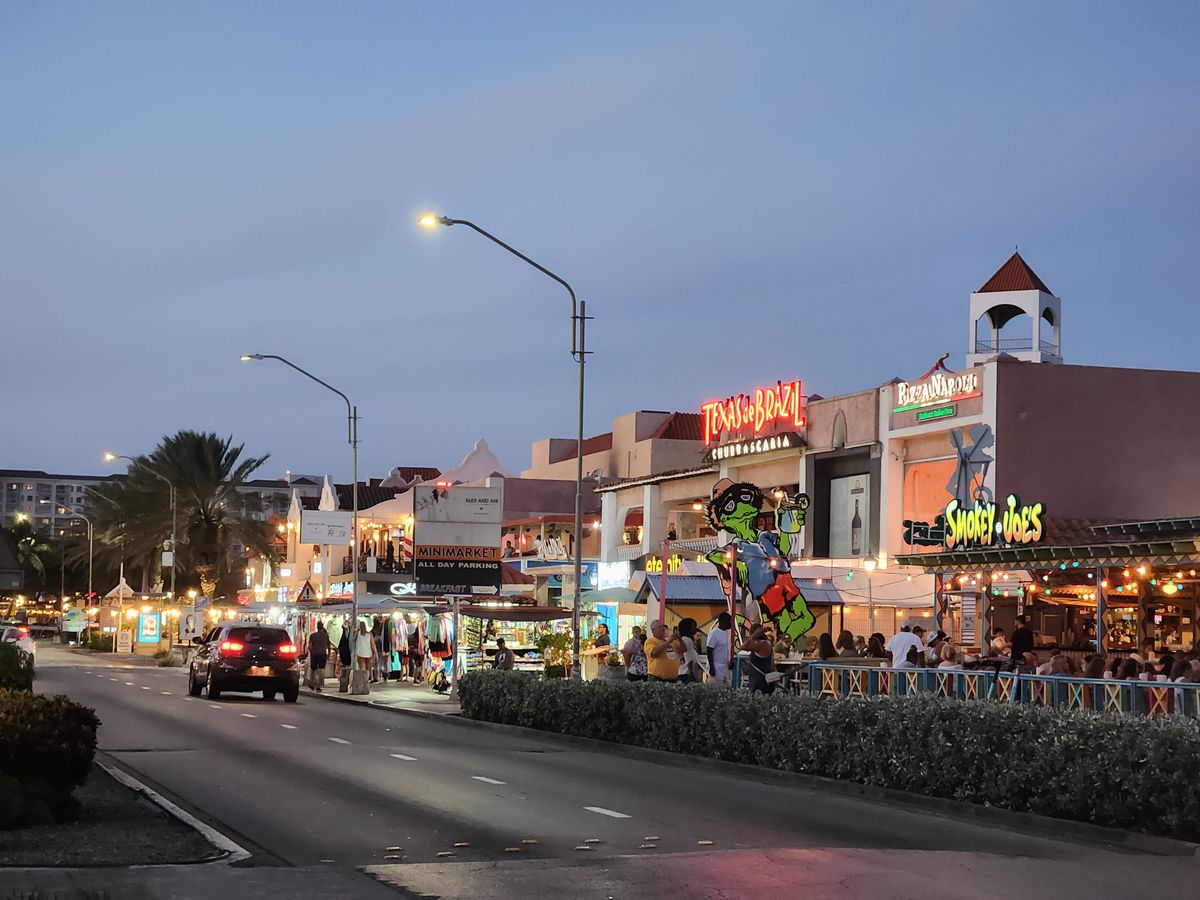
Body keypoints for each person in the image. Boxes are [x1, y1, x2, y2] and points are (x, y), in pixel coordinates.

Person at [744, 624, 778, 694]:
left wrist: (752, 636)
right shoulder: (764, 644)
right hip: (760, 678)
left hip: (760, 680)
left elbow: (743, 647)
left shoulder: (763, 644)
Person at [706, 613, 733, 686]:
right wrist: (712, 667)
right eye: (730, 621)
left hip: (725, 667)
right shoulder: (714, 633)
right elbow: (709, 649)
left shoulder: (726, 634)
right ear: (725, 621)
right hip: (716, 667)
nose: (731, 623)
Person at [307, 621, 330, 691]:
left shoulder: (312, 635)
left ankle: (312, 683)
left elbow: (310, 647)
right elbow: (328, 646)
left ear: (317, 627)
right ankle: (319, 685)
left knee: (313, 670)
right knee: (322, 670)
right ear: (322, 627)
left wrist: (311, 652)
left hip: (314, 654)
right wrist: (328, 654)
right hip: (322, 654)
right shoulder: (326, 636)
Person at [677, 618, 702, 683]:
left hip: (681, 672)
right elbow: (689, 658)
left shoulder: (683, 639)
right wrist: (691, 672)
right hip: (686, 672)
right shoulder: (687, 640)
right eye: (694, 627)